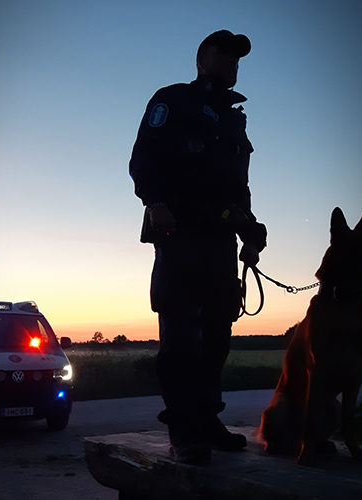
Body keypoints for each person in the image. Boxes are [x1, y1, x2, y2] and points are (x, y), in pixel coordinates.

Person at [129, 30, 267, 464]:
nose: (232, 63)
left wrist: (250, 229)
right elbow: (143, 159)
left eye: (237, 59)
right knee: (183, 336)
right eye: (224, 55)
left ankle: (208, 420)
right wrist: (155, 202)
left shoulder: (233, 116)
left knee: (218, 335)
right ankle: (184, 431)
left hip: (221, 239)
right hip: (181, 233)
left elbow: (237, 184)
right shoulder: (172, 100)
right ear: (201, 60)